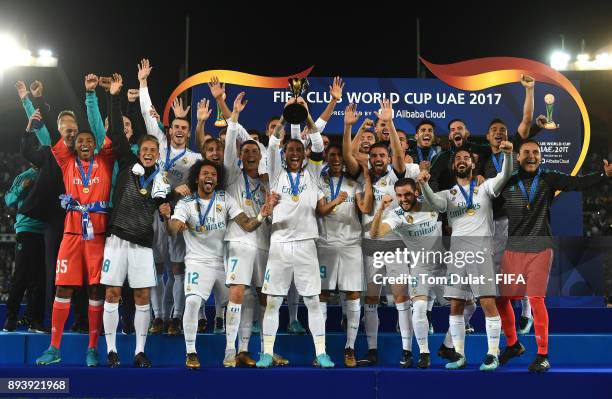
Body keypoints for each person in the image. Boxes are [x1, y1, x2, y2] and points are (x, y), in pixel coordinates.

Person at [496, 139, 612, 372]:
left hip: (540, 248)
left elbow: (577, 183)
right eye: (526, 152)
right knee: (501, 299)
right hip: (513, 250)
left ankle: (542, 354)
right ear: (517, 157)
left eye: (536, 153)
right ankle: (512, 344)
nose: (531, 156)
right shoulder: (506, 180)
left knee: (536, 299)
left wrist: (604, 174)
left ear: (541, 157)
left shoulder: (548, 177)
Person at [161, 159, 277, 369]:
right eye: (205, 173)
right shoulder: (186, 203)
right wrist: (170, 220)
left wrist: (262, 214)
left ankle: (234, 352)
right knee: (193, 302)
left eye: (214, 175)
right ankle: (191, 352)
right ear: (197, 178)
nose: (210, 177)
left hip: (222, 262)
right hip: (197, 263)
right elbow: (172, 229)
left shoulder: (225, 198)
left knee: (240, 299)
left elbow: (248, 225)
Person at [35, 89, 116, 366]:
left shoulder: (105, 160)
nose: (83, 142)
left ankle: (92, 348)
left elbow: (96, 127)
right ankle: (54, 348)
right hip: (71, 235)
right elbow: (49, 136)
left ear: (95, 145)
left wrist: (90, 96)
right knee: (63, 290)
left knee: (96, 291)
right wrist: (37, 104)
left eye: (88, 140)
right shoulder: (66, 162)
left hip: (98, 237)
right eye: (79, 140)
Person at [418, 141, 514, 371]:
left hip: (481, 250)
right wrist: (423, 184)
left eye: (466, 158)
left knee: (487, 302)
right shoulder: (448, 194)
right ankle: (458, 354)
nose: (462, 160)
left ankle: (493, 353)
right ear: (453, 166)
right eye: (458, 159)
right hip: (457, 252)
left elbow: (506, 175)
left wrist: (509, 155)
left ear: (473, 163)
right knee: (456, 305)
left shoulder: (486, 187)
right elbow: (434, 203)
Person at [256, 98, 334, 368]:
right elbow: (272, 143)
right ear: (285, 153)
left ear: (304, 153)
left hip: (305, 245)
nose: (294, 153)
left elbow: (319, 143)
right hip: (279, 243)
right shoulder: (275, 172)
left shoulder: (312, 173)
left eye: (298, 149)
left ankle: (321, 352)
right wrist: (287, 114)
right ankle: (267, 351)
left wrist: (306, 115)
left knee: (312, 300)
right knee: (273, 301)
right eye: (290, 149)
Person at [343, 101, 420, 367]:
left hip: (396, 244)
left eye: (382, 156)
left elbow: (399, 155)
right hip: (370, 245)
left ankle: (407, 350)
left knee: (401, 297)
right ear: (369, 158)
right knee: (372, 298)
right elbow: (349, 154)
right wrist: (349, 127)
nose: (378, 159)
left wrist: (389, 122)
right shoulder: (360, 176)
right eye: (374, 156)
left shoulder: (397, 175)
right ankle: (373, 349)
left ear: (387, 159)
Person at [100, 75, 169, 368]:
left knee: (142, 296)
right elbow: (117, 132)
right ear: (139, 151)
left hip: (142, 242)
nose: (150, 153)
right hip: (116, 240)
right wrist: (114, 97)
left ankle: (140, 350)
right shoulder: (128, 163)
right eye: (146, 149)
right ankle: (112, 349)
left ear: (158, 154)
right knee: (112, 293)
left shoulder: (161, 179)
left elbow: (161, 202)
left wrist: (168, 206)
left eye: (154, 150)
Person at [138, 58, 202, 335]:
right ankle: (158, 316)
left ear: (188, 133)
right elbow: (147, 113)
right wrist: (143, 84)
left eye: (183, 128)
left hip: (178, 217)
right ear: (170, 129)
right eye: (175, 126)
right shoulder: (159, 146)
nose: (178, 131)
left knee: (177, 269)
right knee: (155, 266)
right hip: (153, 213)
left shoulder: (195, 158)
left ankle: (176, 317)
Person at [369, 178, 445, 369]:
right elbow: (375, 234)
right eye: (400, 195)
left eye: (407, 194)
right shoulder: (397, 215)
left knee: (467, 307)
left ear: (416, 192)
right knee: (418, 308)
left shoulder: (431, 204)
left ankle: (450, 346)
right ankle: (424, 353)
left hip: (444, 265)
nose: (403, 198)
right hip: (421, 267)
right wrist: (380, 209)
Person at [316, 144, 373, 367]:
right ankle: (320, 351)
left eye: (340, 156)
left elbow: (365, 208)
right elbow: (319, 210)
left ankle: (349, 348)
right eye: (332, 155)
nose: (337, 159)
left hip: (351, 244)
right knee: (321, 294)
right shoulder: (320, 181)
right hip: (325, 244)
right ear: (326, 157)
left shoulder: (354, 183)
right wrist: (335, 202)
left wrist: (366, 176)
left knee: (353, 293)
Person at [2, 163, 46, 333]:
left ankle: (34, 320)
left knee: (40, 279)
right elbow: (9, 200)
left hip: (45, 232)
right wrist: (22, 187)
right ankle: (11, 318)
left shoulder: (50, 174)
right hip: (26, 230)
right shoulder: (24, 176)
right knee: (20, 275)